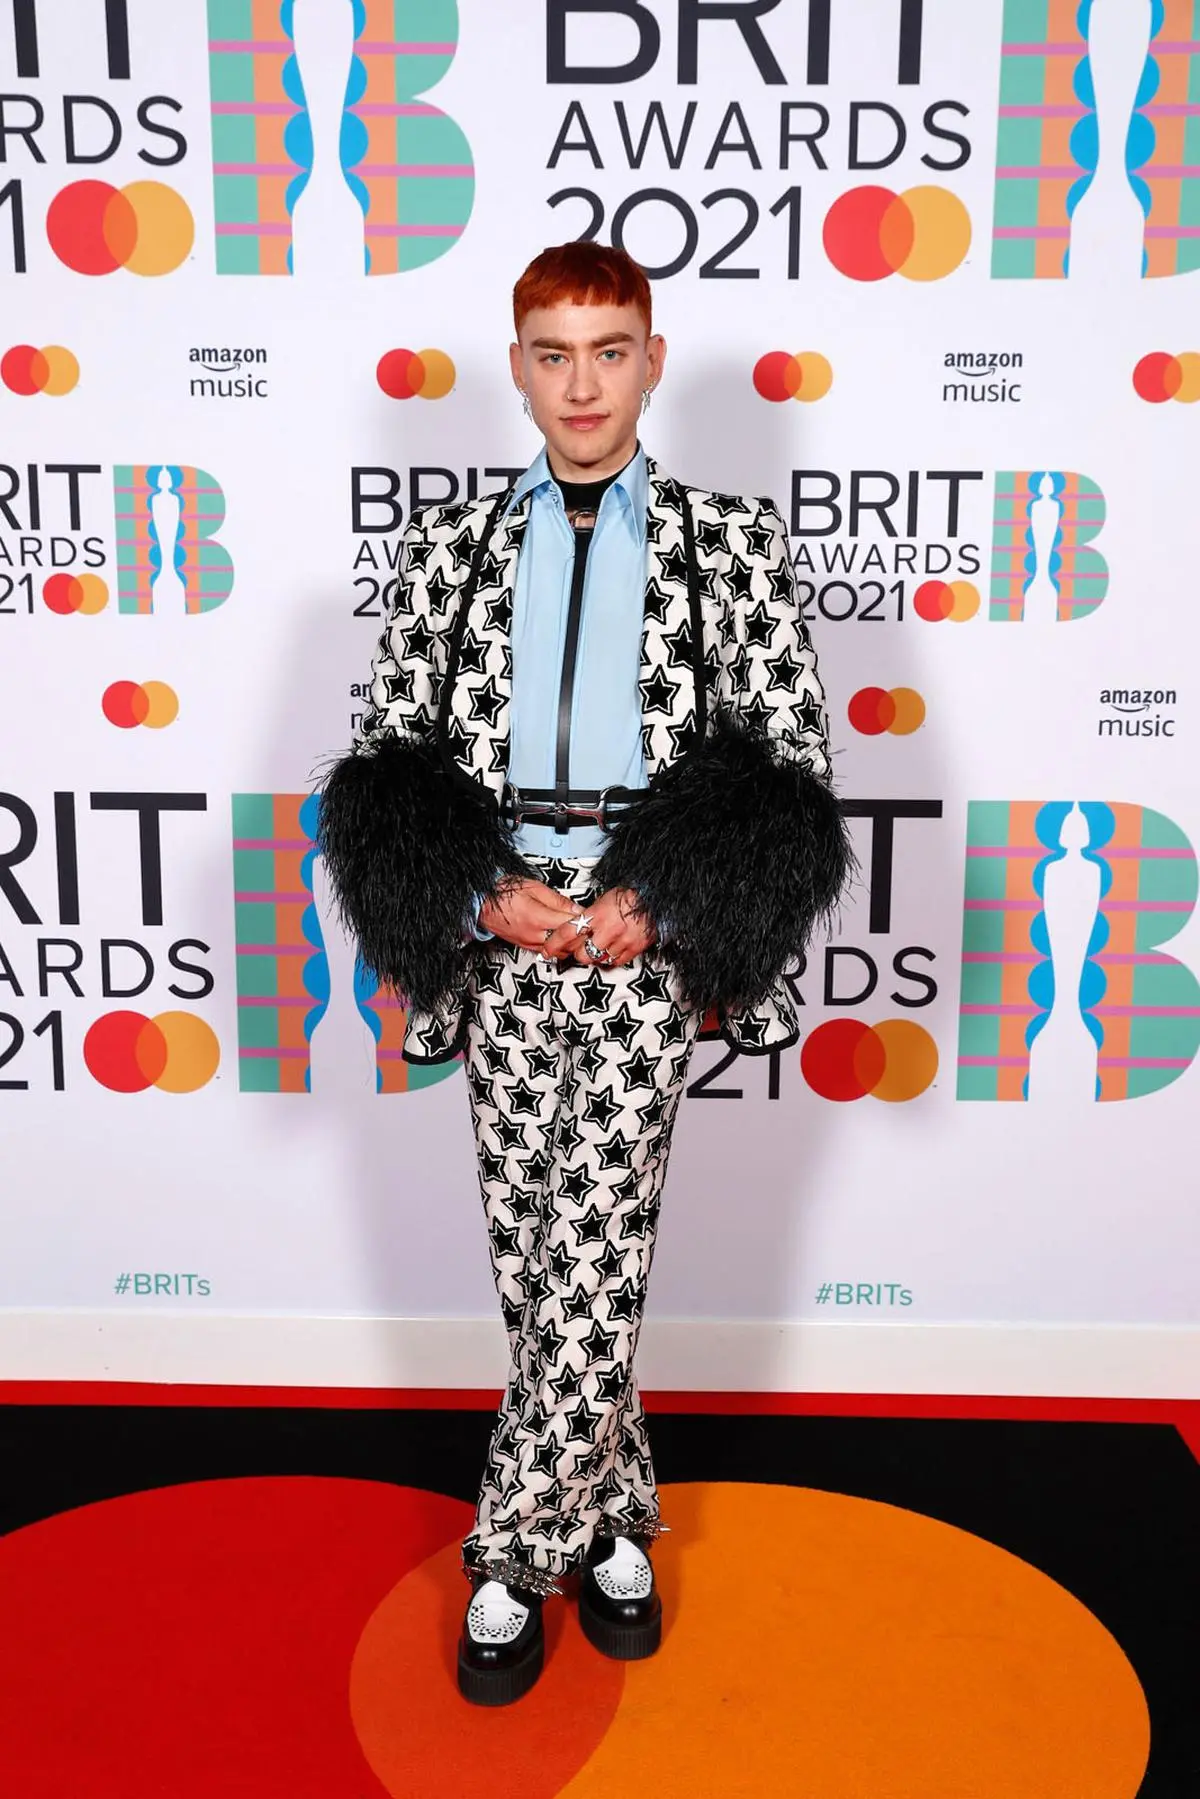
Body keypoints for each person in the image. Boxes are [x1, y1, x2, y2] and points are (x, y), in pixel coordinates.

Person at [318, 242, 850, 1705]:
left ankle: (509, 1552)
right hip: (501, 945)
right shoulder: (450, 548)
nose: (581, 383)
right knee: (535, 1248)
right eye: (553, 353)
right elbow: (387, 758)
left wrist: (656, 898)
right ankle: (618, 1516)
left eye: (608, 350)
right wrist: (480, 895)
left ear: (652, 361)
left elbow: (792, 764)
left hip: (641, 946)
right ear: (518, 369)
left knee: (596, 1240)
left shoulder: (727, 543)